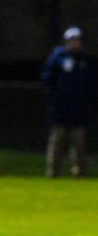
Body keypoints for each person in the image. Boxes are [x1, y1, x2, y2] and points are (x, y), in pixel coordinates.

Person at [40, 26, 97, 178]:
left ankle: (79, 173)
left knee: (79, 144)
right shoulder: (57, 58)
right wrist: (55, 97)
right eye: (72, 40)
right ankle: (52, 172)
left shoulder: (86, 61)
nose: (75, 43)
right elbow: (47, 80)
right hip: (60, 110)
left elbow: (92, 83)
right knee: (56, 143)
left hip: (79, 110)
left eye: (77, 40)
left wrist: (87, 101)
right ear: (66, 41)